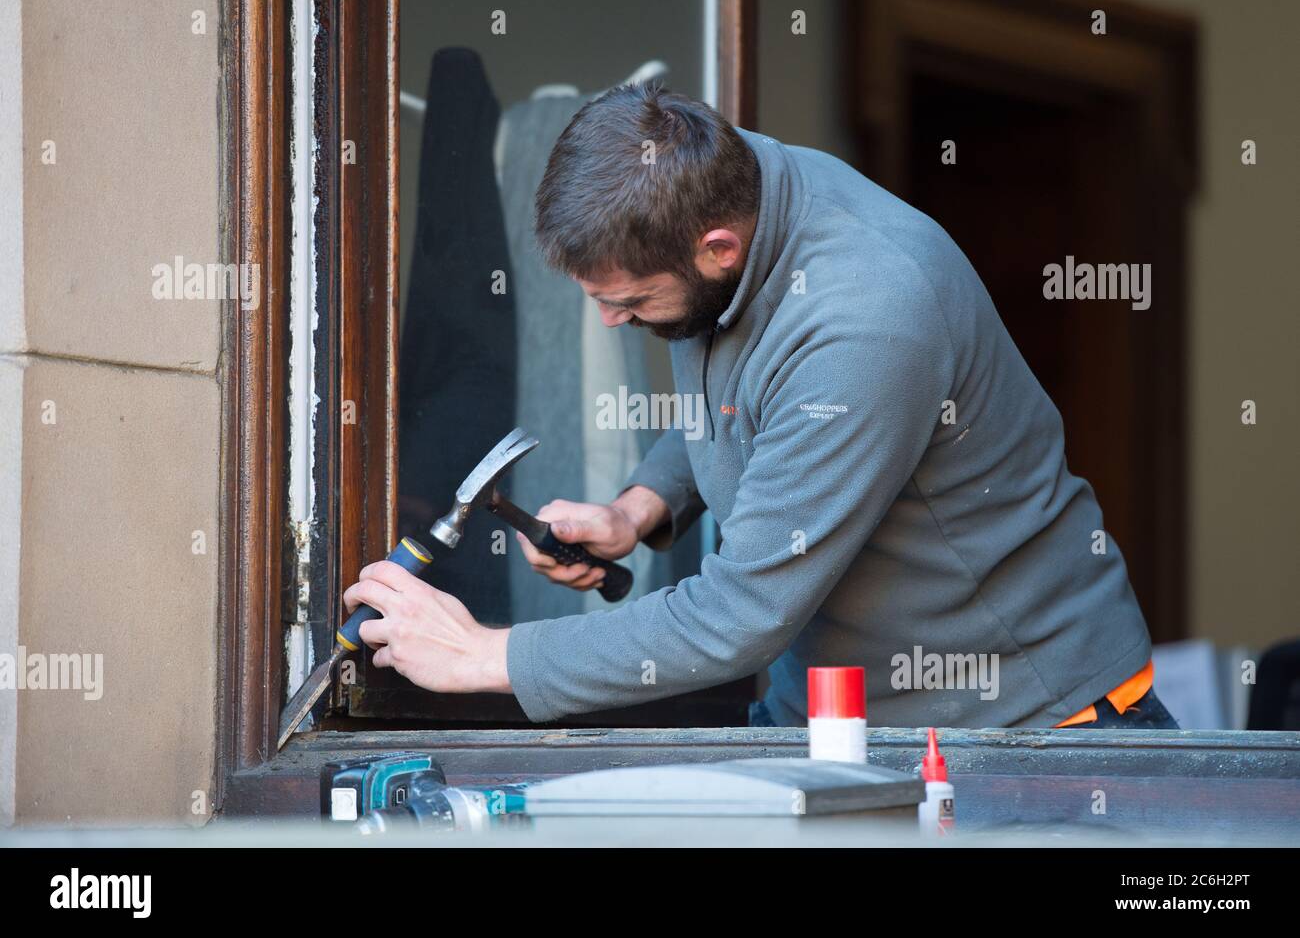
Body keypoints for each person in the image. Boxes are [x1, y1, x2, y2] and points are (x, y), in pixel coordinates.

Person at [345, 82, 1177, 730]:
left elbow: (738, 616)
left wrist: (491, 653)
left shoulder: (868, 320)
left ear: (718, 248)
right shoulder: (727, 187)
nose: (610, 323)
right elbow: (746, 388)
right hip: (840, 710)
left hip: (1030, 717)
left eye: (631, 304)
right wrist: (640, 506)